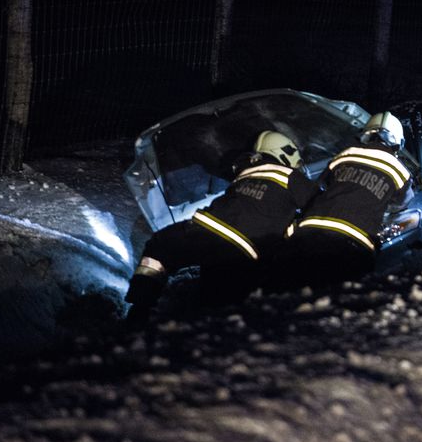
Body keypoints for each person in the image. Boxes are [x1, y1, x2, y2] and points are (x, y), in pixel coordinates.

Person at [124, 130, 315, 321]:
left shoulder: (244, 172)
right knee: (221, 303)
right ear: (285, 154)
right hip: (244, 247)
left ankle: (139, 308)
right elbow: (322, 204)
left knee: (160, 246)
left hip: (206, 230)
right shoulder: (290, 176)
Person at [282, 111, 413, 286]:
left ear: (366, 134)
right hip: (352, 243)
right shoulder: (401, 171)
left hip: (308, 232)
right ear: (398, 142)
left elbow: (322, 185)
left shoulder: (344, 154)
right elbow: (400, 204)